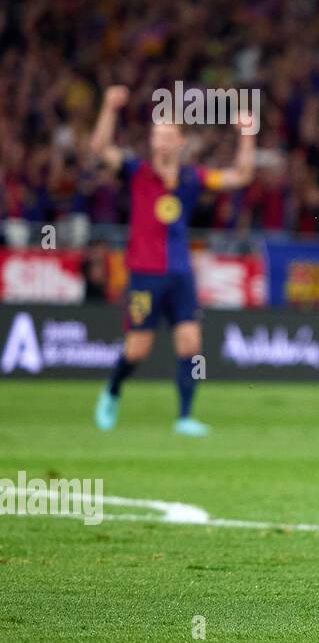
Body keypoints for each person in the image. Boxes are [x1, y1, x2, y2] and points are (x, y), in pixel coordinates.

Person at [90, 85, 256, 435]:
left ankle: (184, 416)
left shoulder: (191, 178)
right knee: (137, 350)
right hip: (144, 276)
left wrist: (247, 136)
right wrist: (108, 107)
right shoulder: (137, 172)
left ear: (181, 142)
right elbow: (99, 149)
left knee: (191, 346)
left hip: (180, 274)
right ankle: (112, 390)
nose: (160, 141)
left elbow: (241, 176)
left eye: (167, 135)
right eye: (156, 134)